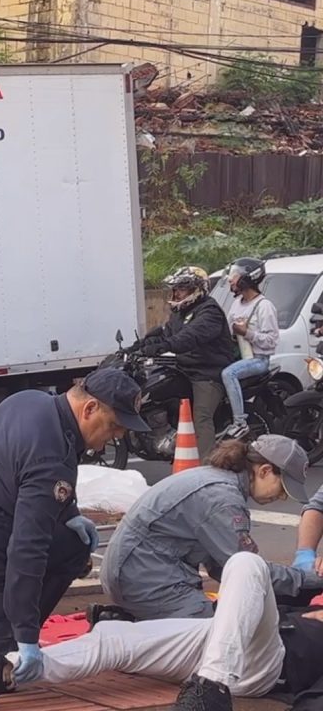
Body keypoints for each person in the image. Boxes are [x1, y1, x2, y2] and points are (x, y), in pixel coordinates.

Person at [0, 367, 149, 688]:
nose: (115, 437)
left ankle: (0, 625)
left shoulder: (32, 404)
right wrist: (28, 636)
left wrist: (69, 512)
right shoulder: (50, 453)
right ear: (89, 409)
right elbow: (27, 550)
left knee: (74, 545)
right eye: (114, 426)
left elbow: (25, 478)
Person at [0, 552, 323, 711]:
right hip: (225, 638)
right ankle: (4, 671)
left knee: (248, 563)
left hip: (271, 662)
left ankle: (210, 694)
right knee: (113, 637)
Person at [101, 434, 323, 622]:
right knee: (224, 631)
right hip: (144, 580)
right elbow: (248, 569)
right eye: (283, 488)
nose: (282, 498)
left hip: (137, 573)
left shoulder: (217, 480)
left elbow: (221, 566)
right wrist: (308, 580)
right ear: (265, 471)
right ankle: (125, 626)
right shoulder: (223, 500)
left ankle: (128, 620)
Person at [133, 265, 238, 458]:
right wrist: (140, 346)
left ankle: (206, 466)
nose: (176, 293)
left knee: (201, 417)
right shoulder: (179, 313)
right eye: (175, 288)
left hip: (207, 373)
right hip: (184, 368)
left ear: (196, 289)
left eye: (181, 288)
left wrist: (164, 346)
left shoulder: (210, 311)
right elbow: (167, 333)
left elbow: (189, 337)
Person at [220, 257, 278, 440]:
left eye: (234, 276)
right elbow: (227, 329)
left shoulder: (264, 306)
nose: (230, 279)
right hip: (239, 356)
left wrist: (247, 333)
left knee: (228, 374)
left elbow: (271, 340)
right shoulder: (237, 303)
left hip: (258, 359)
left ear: (247, 278)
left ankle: (239, 422)